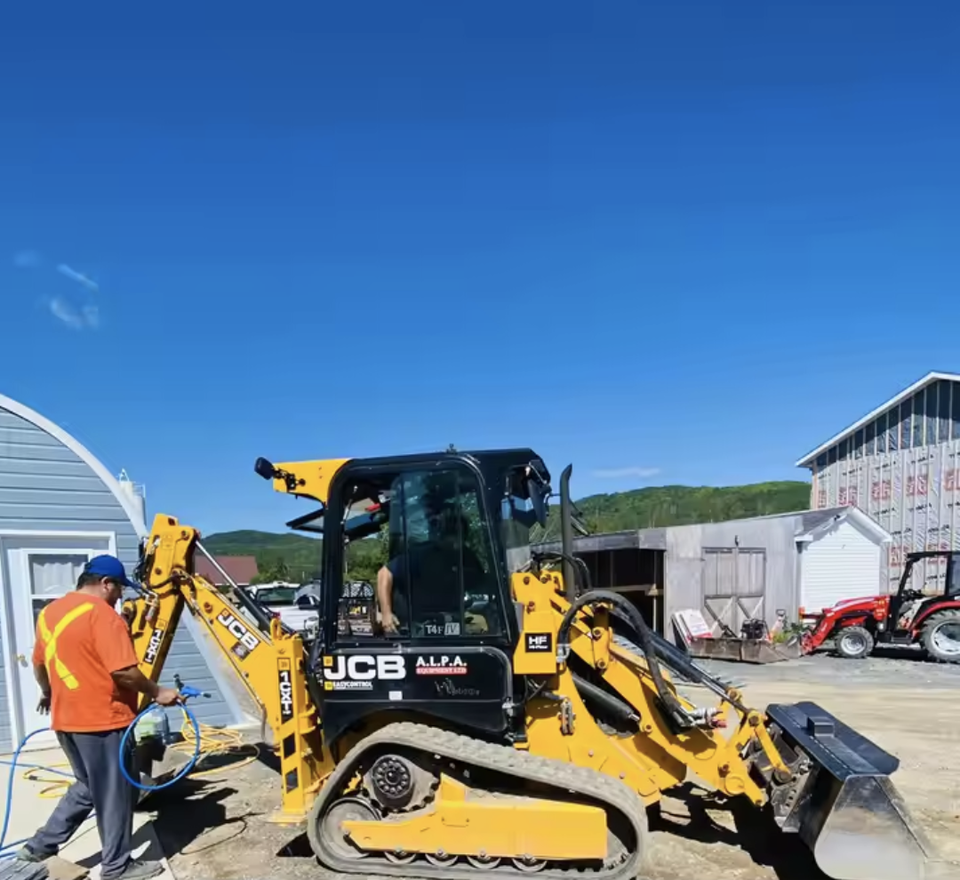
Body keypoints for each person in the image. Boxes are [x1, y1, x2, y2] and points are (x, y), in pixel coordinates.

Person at [16, 555, 181, 880]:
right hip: (103, 722)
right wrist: (157, 691)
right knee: (114, 794)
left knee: (88, 786)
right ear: (106, 583)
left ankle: (39, 847)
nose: (120, 597)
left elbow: (39, 663)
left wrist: (47, 692)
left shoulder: (50, 612)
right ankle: (117, 867)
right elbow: (123, 672)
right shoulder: (103, 616)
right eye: (118, 589)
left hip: (66, 720)